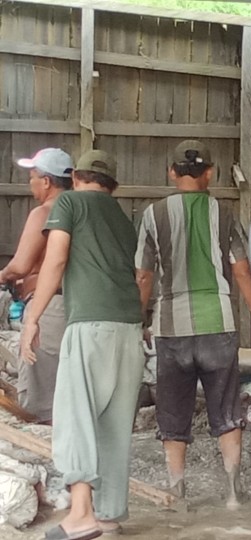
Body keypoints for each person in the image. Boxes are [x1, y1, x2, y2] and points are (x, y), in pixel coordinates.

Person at [135, 140, 251, 509]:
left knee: (172, 410)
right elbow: (242, 271)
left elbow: (143, 275)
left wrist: (138, 319)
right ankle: (233, 492)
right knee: (226, 407)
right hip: (218, 322)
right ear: (209, 173)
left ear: (172, 172)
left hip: (171, 327)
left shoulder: (153, 215)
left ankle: (177, 490)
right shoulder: (223, 214)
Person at [20, 150, 144, 539]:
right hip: (129, 329)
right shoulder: (123, 219)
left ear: (75, 178)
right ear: (113, 185)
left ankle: (81, 514)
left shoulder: (70, 204)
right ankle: (108, 513)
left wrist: (32, 317)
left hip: (89, 323)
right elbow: (139, 274)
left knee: (76, 417)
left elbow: (55, 262)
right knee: (114, 424)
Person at [0, 148, 73, 424]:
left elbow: (21, 265)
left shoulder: (44, 213)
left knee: (41, 399)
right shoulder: (81, 210)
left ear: (46, 181)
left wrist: (4, 275)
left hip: (49, 308)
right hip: (77, 304)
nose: (29, 183)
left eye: (32, 177)